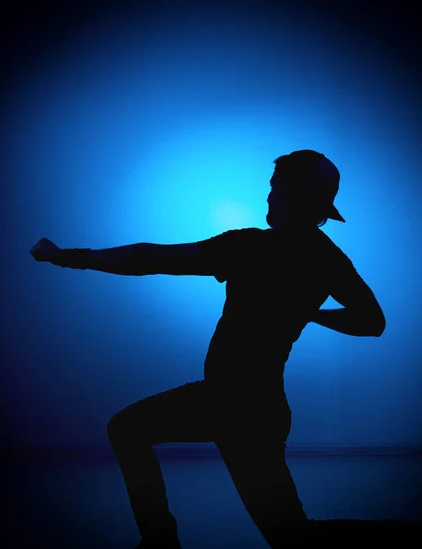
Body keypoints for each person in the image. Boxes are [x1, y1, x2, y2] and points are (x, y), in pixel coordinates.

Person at [30, 149, 386, 549]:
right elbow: (373, 322)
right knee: (290, 535)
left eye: (273, 187)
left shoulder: (251, 247)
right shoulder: (330, 260)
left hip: (230, 402)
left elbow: (152, 258)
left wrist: (65, 258)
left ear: (290, 192)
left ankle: (160, 543)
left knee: (127, 430)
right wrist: (311, 313)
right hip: (262, 408)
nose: (268, 196)